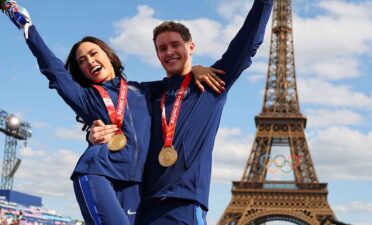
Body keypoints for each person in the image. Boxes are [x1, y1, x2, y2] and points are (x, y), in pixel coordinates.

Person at [1, 1, 225, 225]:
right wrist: (27, 28)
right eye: (82, 61)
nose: (89, 61)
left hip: (137, 189)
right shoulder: (87, 98)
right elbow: (53, 69)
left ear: (109, 56)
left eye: (93, 53)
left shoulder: (146, 91)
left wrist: (196, 68)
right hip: (100, 175)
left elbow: (179, 80)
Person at [90, 0, 273, 224]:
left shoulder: (211, 83)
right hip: (144, 206)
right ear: (157, 55)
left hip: (184, 205)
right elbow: (109, 99)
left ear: (191, 47)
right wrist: (94, 132)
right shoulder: (148, 93)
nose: (169, 52)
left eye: (175, 45)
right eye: (162, 48)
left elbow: (247, 45)